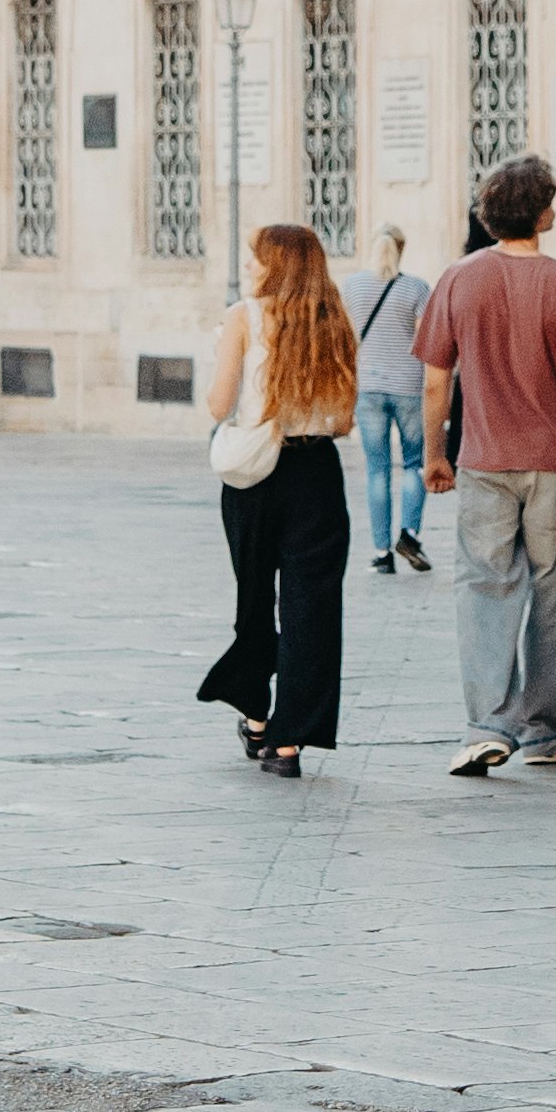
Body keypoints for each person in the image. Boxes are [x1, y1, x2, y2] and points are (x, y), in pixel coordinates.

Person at [417, 154, 556, 777]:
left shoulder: (457, 278)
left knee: (484, 585)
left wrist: (433, 454)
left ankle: (488, 725)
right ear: (545, 214)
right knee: (554, 591)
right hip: (552, 458)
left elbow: (434, 379)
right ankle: (545, 730)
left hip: (482, 456)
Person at [196, 221, 359, 778]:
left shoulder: (243, 316)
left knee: (254, 597)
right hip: (315, 471)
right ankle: (288, 742)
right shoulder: (334, 319)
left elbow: (219, 405)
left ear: (277, 265)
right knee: (311, 607)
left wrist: (224, 357)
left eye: (256, 258)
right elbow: (343, 421)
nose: (248, 267)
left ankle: (256, 715)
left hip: (255, 475)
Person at [347, 226, 434, 579]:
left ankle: (382, 553)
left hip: (368, 387)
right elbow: (427, 338)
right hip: (409, 387)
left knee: (377, 469)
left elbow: (346, 335)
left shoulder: (353, 287)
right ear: (402, 249)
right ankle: (409, 535)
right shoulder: (416, 288)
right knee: (414, 462)